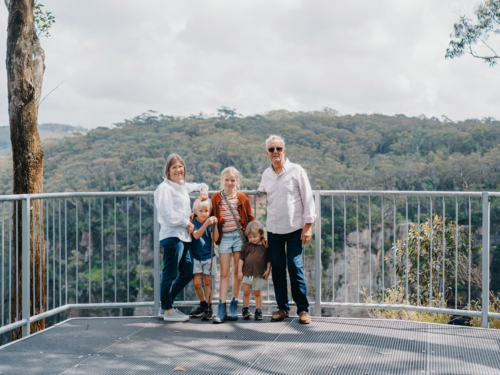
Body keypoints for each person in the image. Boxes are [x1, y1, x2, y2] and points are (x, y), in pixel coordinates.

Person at [258, 135, 316, 324]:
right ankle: (282, 308)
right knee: (278, 270)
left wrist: (308, 227)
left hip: (294, 228)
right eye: (272, 149)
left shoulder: (296, 170)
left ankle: (303, 310)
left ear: (284, 151)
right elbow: (259, 196)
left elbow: (308, 198)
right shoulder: (266, 174)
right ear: (267, 153)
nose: (276, 152)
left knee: (295, 267)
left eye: (279, 148)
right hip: (274, 229)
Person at [154, 153, 209, 322]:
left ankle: (165, 306)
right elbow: (167, 214)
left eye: (180, 166)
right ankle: (168, 311)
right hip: (172, 237)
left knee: (186, 273)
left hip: (184, 238)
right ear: (168, 171)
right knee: (170, 274)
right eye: (174, 167)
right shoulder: (164, 188)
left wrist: (204, 188)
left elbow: (199, 184)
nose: (178, 170)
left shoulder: (181, 186)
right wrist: (186, 223)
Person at [211, 166, 255, 323]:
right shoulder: (216, 197)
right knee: (224, 272)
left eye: (233, 180)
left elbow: (249, 218)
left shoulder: (242, 198)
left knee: (238, 271)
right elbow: (211, 216)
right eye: (227, 180)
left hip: (239, 237)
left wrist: (256, 236)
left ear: (237, 181)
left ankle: (234, 303)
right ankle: (221, 307)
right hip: (224, 238)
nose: (230, 183)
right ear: (221, 180)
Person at [189, 198, 219, 321]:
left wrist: (215, 225)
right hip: (196, 256)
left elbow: (215, 239)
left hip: (208, 256)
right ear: (195, 212)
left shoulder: (211, 222)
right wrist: (206, 224)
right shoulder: (193, 222)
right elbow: (196, 235)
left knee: (207, 282)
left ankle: (208, 307)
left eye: (207, 211)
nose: (204, 213)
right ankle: (202, 304)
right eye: (200, 211)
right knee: (196, 283)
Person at [237, 221, 270, 321]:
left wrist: (267, 271)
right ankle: (245, 309)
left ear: (261, 234)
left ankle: (258, 310)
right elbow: (241, 259)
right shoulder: (246, 246)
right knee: (246, 292)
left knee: (257, 293)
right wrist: (239, 271)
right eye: (250, 237)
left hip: (259, 274)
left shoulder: (265, 247)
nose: (252, 239)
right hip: (246, 273)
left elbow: (269, 260)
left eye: (255, 236)